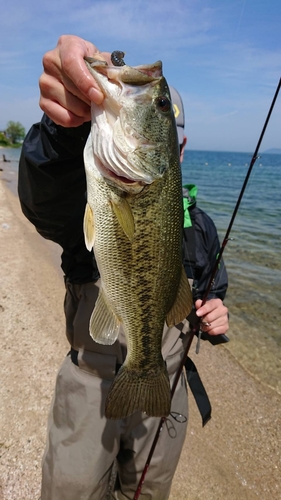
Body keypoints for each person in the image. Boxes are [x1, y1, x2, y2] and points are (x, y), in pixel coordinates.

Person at [18, 35, 229, 500]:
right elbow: (46, 200)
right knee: (73, 487)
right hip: (92, 378)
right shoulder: (86, 190)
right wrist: (62, 133)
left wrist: (216, 312)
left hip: (165, 379)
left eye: (155, 112)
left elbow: (212, 286)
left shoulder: (202, 226)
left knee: (148, 490)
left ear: (177, 144)